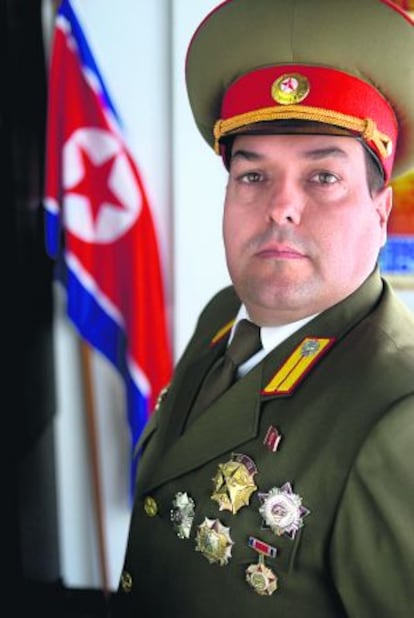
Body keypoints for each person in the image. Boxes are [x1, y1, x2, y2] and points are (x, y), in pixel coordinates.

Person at [111, 1, 414, 616]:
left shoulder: (399, 416)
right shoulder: (225, 315)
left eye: (322, 177)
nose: (281, 206)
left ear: (380, 213)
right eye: (252, 176)